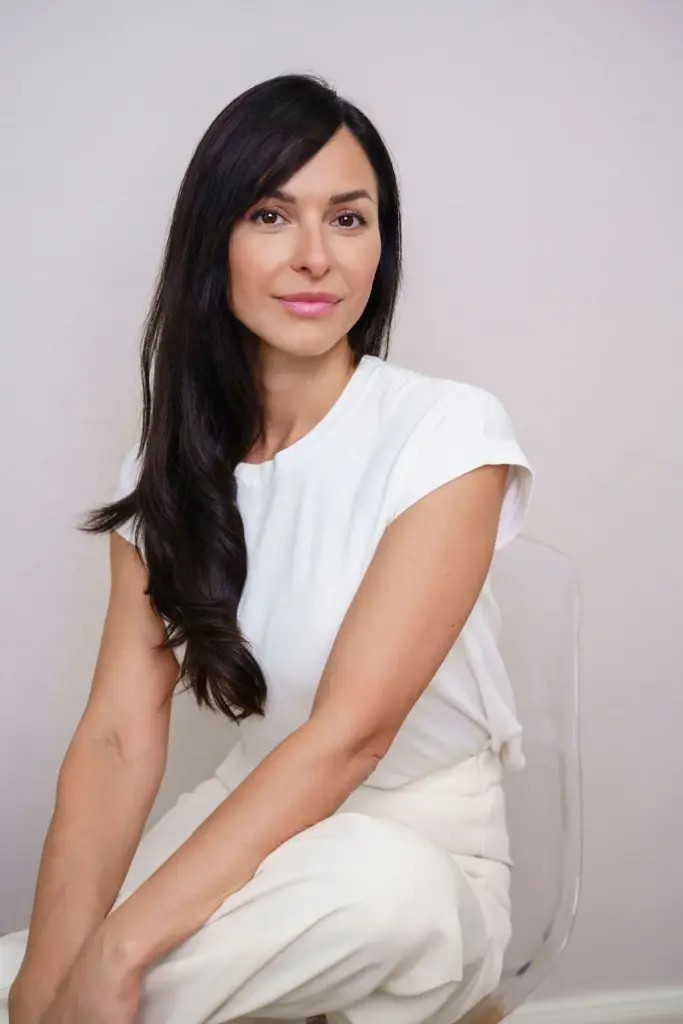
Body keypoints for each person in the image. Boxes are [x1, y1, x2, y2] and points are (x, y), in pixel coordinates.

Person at [1, 72, 533, 1024]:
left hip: (412, 852)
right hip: (244, 817)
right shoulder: (165, 468)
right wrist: (46, 974)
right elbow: (119, 734)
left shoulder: (448, 431)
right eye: (270, 215)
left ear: (380, 245)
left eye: (348, 219)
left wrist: (117, 948)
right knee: (33, 982)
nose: (315, 257)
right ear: (214, 240)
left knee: (376, 891)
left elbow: (351, 736)